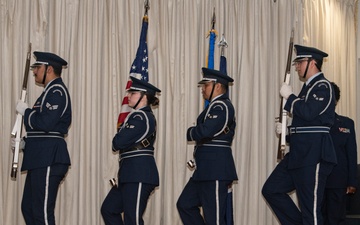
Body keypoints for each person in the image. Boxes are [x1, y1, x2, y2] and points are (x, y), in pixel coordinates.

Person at [262, 45, 337, 225]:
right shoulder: (308, 88)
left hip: (314, 155)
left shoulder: (323, 86)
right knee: (271, 190)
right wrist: (287, 131)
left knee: (310, 210)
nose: (296, 67)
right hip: (298, 154)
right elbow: (306, 124)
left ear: (312, 63)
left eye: (300, 62)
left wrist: (290, 98)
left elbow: (309, 112)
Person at [15, 51, 71, 225]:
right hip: (40, 156)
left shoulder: (57, 91)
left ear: (49, 70)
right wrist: (25, 143)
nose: (34, 72)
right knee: (29, 208)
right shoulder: (48, 92)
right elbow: (42, 129)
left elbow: (45, 123)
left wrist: (26, 112)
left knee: (42, 213)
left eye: (37, 67)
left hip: (49, 157)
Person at [177, 67, 238, 225]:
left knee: (214, 219)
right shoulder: (213, 107)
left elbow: (206, 130)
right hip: (204, 170)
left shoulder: (222, 106)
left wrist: (191, 132)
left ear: (218, 86)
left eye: (206, 85)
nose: (203, 89)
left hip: (216, 169)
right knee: (185, 204)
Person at [101, 76, 161, 225]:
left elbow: (118, 142)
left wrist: (120, 140)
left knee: (132, 219)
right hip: (129, 174)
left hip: (139, 174)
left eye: (132, 93)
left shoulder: (141, 117)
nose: (128, 96)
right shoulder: (136, 116)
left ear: (144, 96)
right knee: (109, 209)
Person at [322, 82, 358, 225]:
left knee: (335, 220)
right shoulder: (312, 122)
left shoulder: (346, 123)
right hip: (315, 181)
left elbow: (351, 153)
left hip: (338, 181)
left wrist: (352, 181)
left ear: (336, 100)